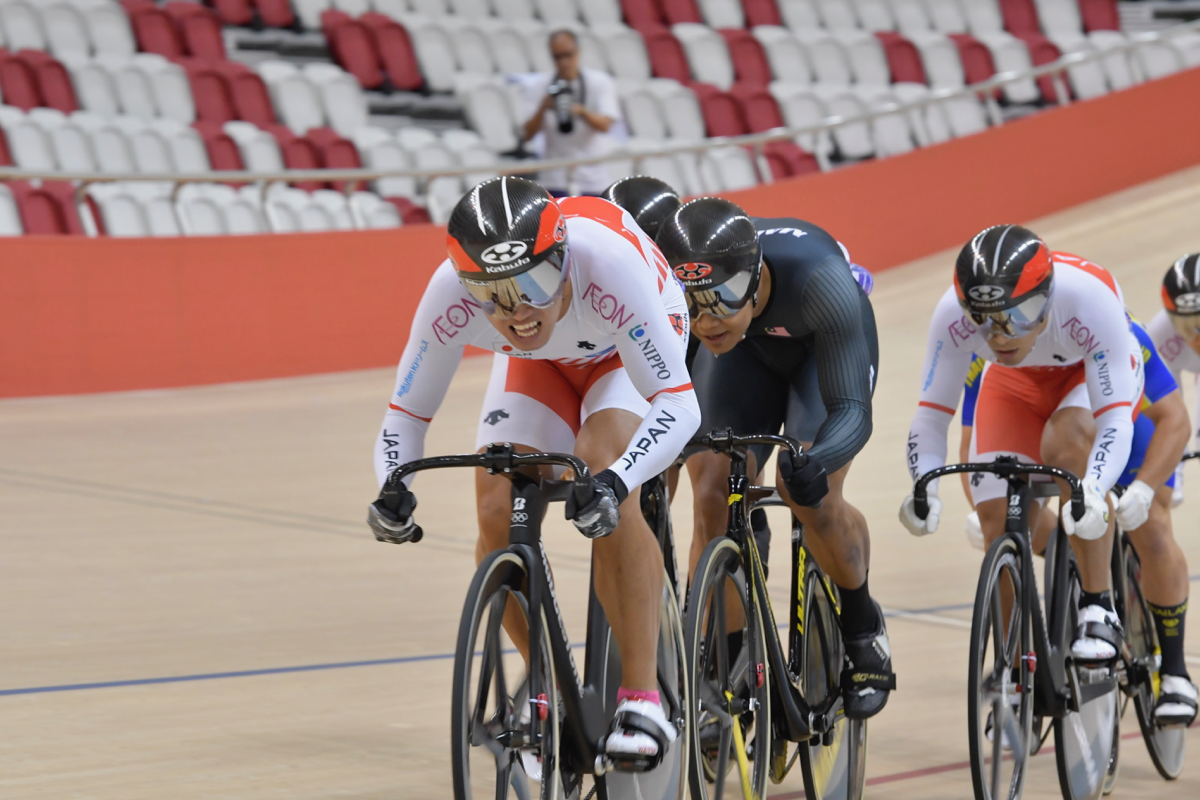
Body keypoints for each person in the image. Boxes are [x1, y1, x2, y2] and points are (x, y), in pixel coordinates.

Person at [366, 177, 700, 770]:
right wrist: (394, 485)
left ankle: (643, 697)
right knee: (497, 508)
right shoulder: (450, 294)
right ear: (467, 284)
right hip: (540, 366)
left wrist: (618, 481)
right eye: (491, 294)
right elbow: (405, 416)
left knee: (602, 467)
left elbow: (680, 405)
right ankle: (547, 693)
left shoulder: (610, 264)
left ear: (565, 257)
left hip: (622, 352)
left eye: (536, 283)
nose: (518, 310)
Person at [656, 198, 893, 719]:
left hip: (819, 355)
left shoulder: (820, 281)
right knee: (714, 491)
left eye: (721, 298)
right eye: (690, 304)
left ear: (755, 274)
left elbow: (853, 409)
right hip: (744, 357)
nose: (706, 319)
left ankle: (861, 626)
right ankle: (729, 667)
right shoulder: (704, 315)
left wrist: (820, 460)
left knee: (809, 492)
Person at [901, 225, 1143, 667]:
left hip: (1086, 374)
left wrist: (1093, 484)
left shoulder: (1089, 299)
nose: (999, 336)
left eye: (1019, 315)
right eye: (982, 319)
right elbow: (932, 415)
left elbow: (1113, 422)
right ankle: (1014, 671)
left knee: (1067, 445)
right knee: (995, 517)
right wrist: (923, 484)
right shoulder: (950, 316)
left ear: (1048, 298)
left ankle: (1098, 604)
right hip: (1013, 383)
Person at [1137, 252, 1200, 725]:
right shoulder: (1162, 332)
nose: (1194, 331)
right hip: (1162, 410)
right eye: (1185, 321)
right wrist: (1165, 479)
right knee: (1157, 498)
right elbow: (1163, 413)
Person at [521, 30, 620, 197]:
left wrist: (581, 112)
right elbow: (527, 134)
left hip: (593, 178)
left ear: (578, 52)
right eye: (557, 57)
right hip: (554, 178)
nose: (564, 62)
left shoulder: (600, 82)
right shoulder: (540, 86)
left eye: (568, 55)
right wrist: (543, 108)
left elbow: (605, 125)